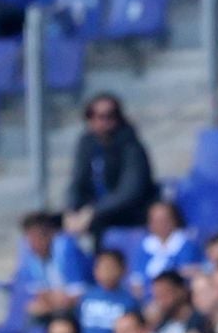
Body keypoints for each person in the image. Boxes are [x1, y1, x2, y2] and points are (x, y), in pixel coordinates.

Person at [65, 93, 155, 238]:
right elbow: (77, 181)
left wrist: (93, 211)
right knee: (44, 225)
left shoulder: (131, 146)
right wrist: (71, 210)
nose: (104, 122)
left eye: (110, 116)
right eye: (96, 116)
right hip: (92, 211)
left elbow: (130, 191)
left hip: (126, 214)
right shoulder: (87, 144)